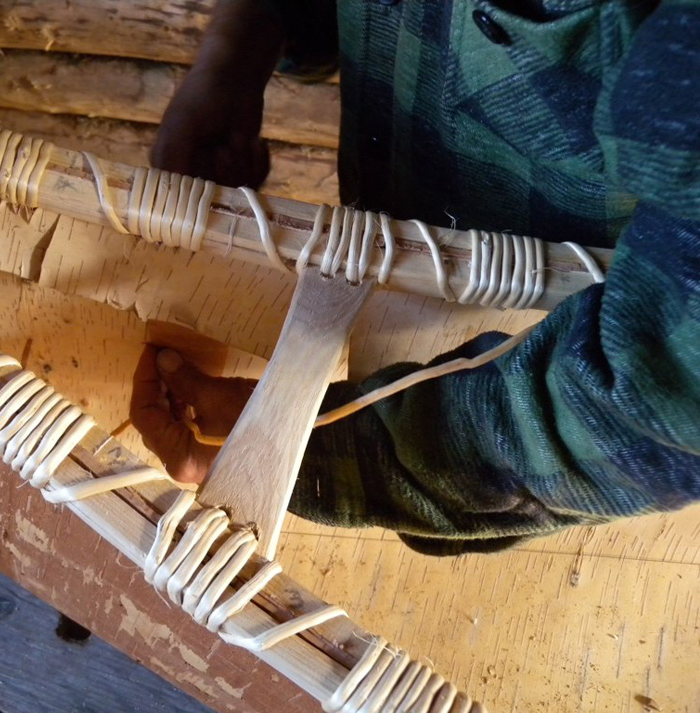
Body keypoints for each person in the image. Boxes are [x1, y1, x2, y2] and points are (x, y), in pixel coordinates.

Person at [130, 0, 700, 555]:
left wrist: (308, 446)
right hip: (377, 299)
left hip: (524, 391)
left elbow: (660, 404)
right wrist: (242, 42)